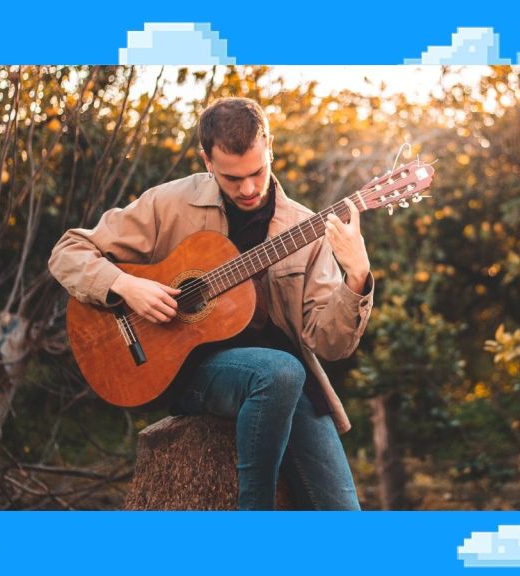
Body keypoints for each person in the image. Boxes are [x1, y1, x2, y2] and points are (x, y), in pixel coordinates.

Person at [48, 97, 374, 510]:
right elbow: (68, 252)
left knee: (345, 516)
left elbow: (331, 345)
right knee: (279, 371)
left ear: (269, 148)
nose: (248, 188)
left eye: (257, 172)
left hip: (290, 383)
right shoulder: (170, 203)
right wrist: (125, 286)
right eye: (232, 178)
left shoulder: (304, 229)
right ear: (207, 161)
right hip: (190, 370)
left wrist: (357, 277)